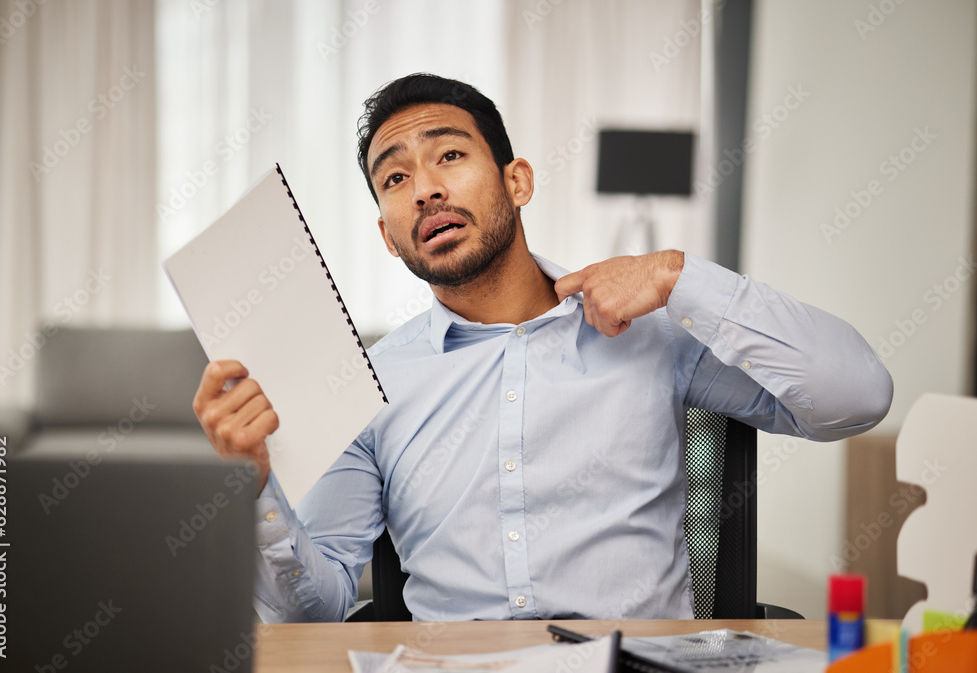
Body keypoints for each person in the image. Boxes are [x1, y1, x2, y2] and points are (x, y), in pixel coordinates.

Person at [193, 73, 893, 622]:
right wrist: (253, 490)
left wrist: (680, 275)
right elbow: (311, 613)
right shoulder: (370, 384)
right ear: (388, 233)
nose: (425, 190)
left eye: (450, 155)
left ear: (516, 180)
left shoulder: (651, 333)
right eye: (395, 179)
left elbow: (857, 398)